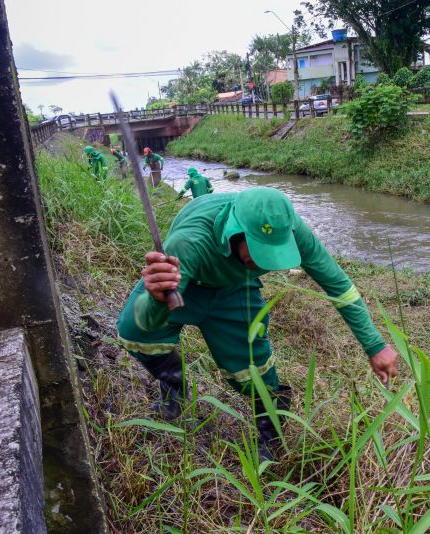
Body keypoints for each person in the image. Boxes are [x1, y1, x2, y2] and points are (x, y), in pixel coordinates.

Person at [116, 187, 399, 460]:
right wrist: (156, 298)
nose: (266, 261)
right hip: (185, 285)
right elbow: (147, 320)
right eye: (258, 251)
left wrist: (375, 345)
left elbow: (339, 286)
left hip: (236, 289)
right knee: (134, 332)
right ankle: (173, 386)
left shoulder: (291, 228)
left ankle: (271, 434)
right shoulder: (190, 243)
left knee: (254, 370)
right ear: (235, 234)